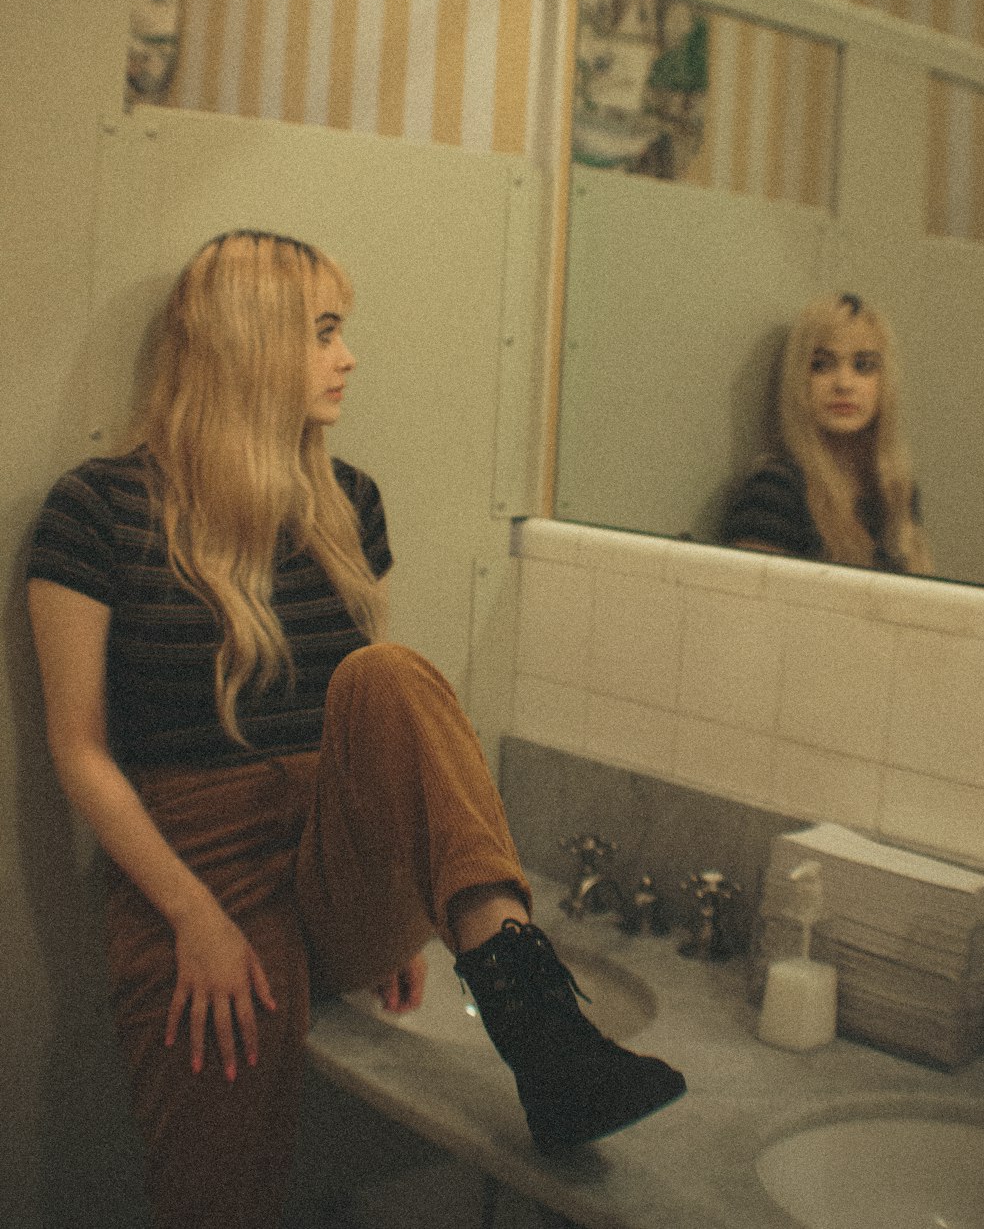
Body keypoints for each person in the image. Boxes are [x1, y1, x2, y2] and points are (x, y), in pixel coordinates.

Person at [26, 229, 685, 1229]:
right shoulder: (99, 510)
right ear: (250, 343)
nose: (349, 357)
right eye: (324, 332)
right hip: (198, 869)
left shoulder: (348, 503)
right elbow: (79, 750)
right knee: (217, 1196)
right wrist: (191, 917)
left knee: (389, 672)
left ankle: (538, 1023)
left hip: (337, 851)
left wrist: (403, 873)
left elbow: (377, 727)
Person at [720, 292, 931, 574]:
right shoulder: (776, 491)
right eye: (821, 364)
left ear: (884, 382)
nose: (844, 384)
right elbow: (751, 608)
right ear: (799, 378)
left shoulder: (894, 492)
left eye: (863, 366)